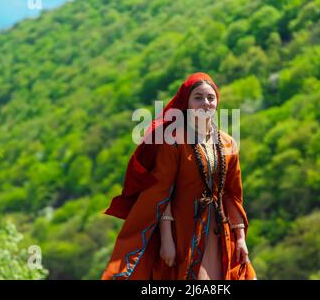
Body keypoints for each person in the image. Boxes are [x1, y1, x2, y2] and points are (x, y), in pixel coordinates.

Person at [101, 72, 257, 280]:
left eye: (211, 98)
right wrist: (167, 240)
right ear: (187, 103)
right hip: (183, 231)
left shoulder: (228, 143)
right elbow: (162, 192)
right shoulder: (174, 141)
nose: (206, 103)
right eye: (198, 97)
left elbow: (231, 194)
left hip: (220, 232)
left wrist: (240, 239)